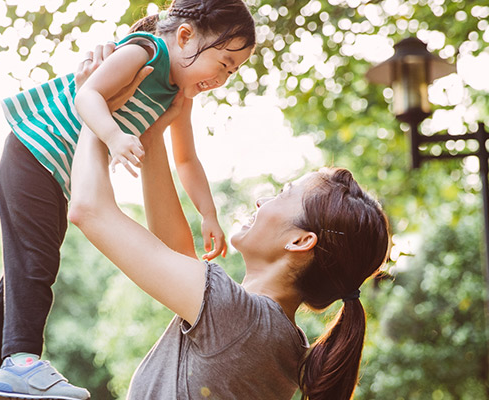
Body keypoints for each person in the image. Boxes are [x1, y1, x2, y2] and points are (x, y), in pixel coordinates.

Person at [0, 0, 256, 399]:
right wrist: (112, 135)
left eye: (233, 70)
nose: (224, 78)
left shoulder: (179, 95)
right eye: (224, 62)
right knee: (35, 265)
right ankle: (21, 360)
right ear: (186, 36)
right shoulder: (145, 51)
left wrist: (208, 213)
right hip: (34, 151)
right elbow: (88, 93)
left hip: (57, 173)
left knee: (24, 269)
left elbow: (187, 159)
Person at [65, 115, 392, 398]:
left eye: (282, 194)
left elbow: (89, 209)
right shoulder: (281, 340)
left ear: (299, 241)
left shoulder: (242, 320)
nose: (262, 200)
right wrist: (155, 126)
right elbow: (175, 253)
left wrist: (94, 107)